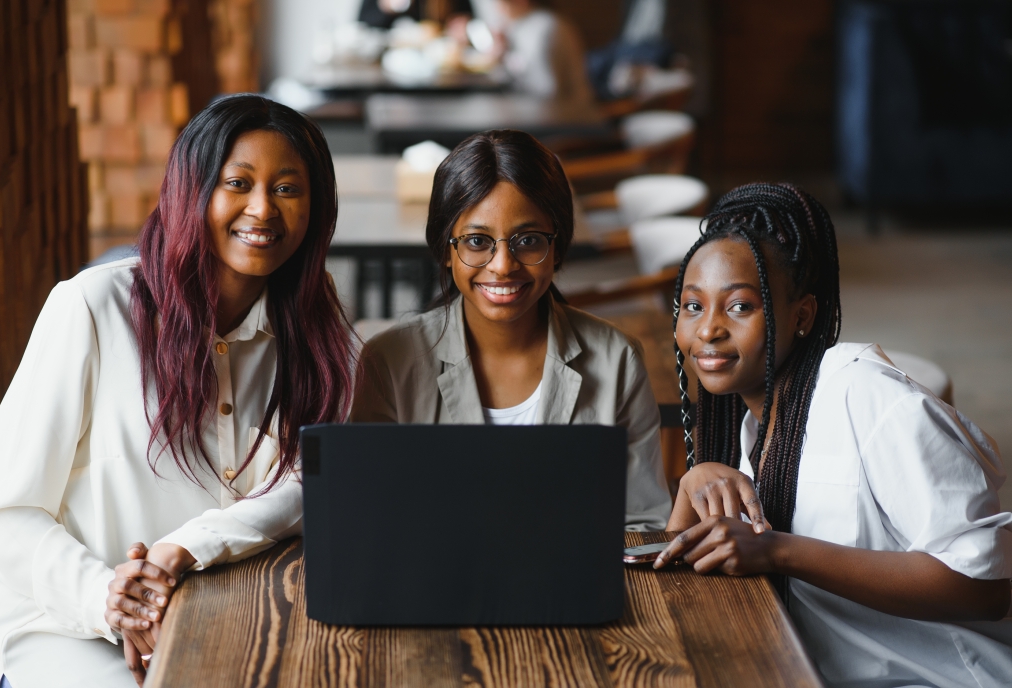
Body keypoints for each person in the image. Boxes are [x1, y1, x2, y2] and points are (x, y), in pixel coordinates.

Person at [0, 94, 356, 687]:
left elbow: (315, 476)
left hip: (225, 618)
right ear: (191, 190)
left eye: (288, 189)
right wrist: (114, 598)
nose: (262, 208)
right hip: (61, 624)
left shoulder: (315, 328)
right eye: (238, 183)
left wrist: (184, 547)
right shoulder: (92, 308)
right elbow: (2, 510)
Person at [653, 183, 1012, 686]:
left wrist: (779, 550)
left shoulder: (868, 398)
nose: (708, 329)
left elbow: (986, 586)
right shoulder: (748, 424)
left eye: (739, 307)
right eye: (693, 306)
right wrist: (693, 488)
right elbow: (682, 590)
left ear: (802, 316)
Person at [351, 129, 671, 530]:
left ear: (557, 248)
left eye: (529, 240)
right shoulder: (390, 362)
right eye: (477, 241)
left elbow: (641, 523)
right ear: (446, 251)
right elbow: (370, 515)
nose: (503, 265)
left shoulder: (616, 359)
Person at [492, 0, 593, 102]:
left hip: (567, 110)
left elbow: (549, 90)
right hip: (545, 106)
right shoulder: (520, 27)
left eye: (501, 3)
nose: (498, 9)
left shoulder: (547, 28)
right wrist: (501, 57)